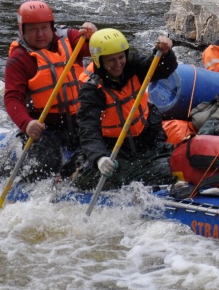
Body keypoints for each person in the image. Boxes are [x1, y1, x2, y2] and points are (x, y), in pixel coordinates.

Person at [2, 0, 97, 179]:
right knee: (46, 163)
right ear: (22, 30)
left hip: (79, 123)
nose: (40, 34)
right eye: (33, 29)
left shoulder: (71, 38)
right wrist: (27, 124)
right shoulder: (18, 59)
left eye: (44, 28)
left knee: (96, 153)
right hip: (45, 128)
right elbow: (12, 98)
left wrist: (94, 34)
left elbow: (97, 49)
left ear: (52, 27)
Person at [74, 28, 178, 190]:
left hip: (145, 139)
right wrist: (99, 157)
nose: (118, 64)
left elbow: (162, 69)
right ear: (99, 60)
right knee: (118, 178)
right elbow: (88, 129)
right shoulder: (92, 89)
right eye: (111, 60)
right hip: (113, 147)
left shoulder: (134, 65)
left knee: (172, 167)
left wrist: (166, 53)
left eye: (120, 57)